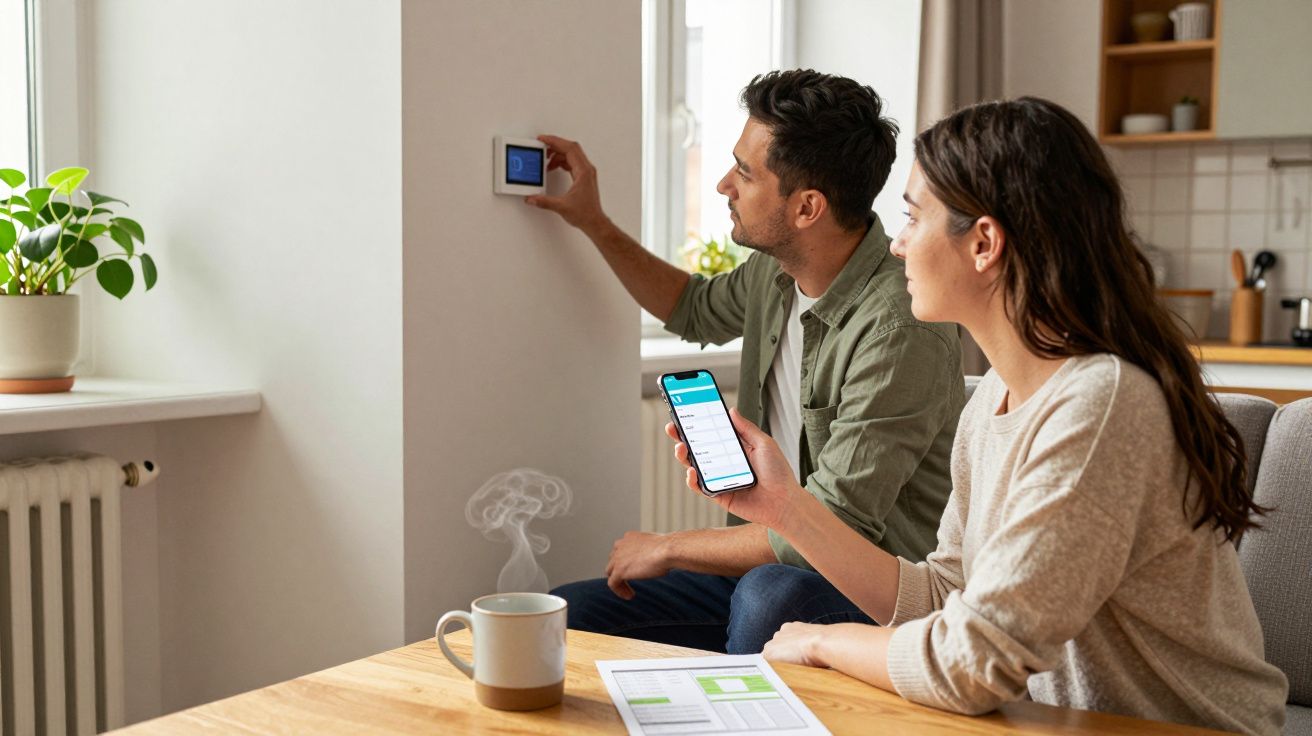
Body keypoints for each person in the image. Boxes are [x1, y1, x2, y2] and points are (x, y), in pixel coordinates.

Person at [666, 97, 1289, 734]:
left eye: (912, 219)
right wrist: (783, 508)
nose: (900, 247)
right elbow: (942, 598)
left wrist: (824, 643)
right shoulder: (993, 398)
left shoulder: (1099, 406)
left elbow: (972, 661)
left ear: (984, 243)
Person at [528, 69, 964, 653]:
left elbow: (835, 525)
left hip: (866, 588)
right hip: (769, 569)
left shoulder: (898, 328)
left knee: (769, 595)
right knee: (572, 613)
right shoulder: (773, 271)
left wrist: (668, 546)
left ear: (808, 207)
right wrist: (593, 222)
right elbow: (690, 308)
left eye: (744, 172)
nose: (722, 185)